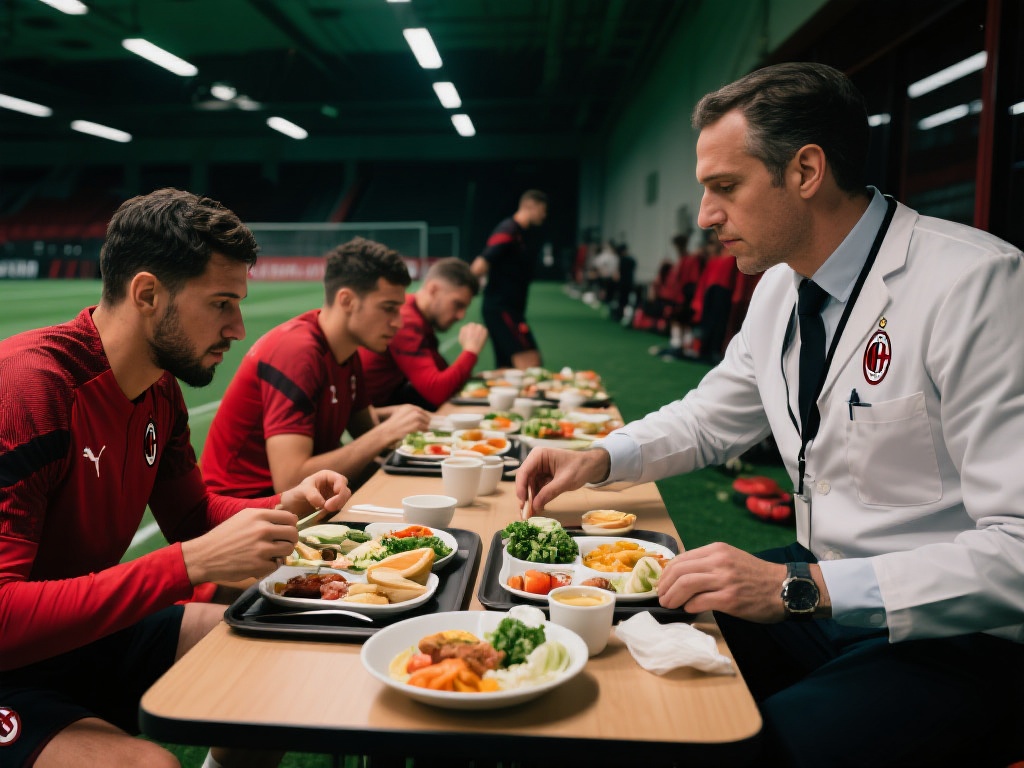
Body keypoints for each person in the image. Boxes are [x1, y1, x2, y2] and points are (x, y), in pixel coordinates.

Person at [516, 62, 1024, 767]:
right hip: (823, 590)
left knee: (752, 750)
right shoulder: (781, 288)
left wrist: (802, 587)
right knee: (616, 634)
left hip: (958, 638)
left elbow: (1019, 553)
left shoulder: (976, 286)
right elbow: (710, 419)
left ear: (807, 170)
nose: (704, 216)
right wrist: (599, 456)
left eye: (725, 187)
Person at [0, 188, 350, 768]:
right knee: (151, 765)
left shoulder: (160, 388)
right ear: (146, 293)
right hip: (9, 661)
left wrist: (285, 503)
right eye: (221, 303)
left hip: (76, 634)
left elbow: (191, 516)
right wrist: (188, 563)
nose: (237, 327)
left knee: (270, 647)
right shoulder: (31, 391)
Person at [202, 237, 432, 497]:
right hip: (241, 511)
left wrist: (410, 419)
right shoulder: (297, 351)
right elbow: (290, 481)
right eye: (388, 309)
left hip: (293, 506)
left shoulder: (347, 350)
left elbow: (365, 428)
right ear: (346, 301)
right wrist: (386, 431)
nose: (397, 323)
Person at [359, 257, 488, 410]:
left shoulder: (419, 318)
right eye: (457, 304)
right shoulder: (405, 320)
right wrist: (470, 352)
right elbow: (437, 392)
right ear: (433, 290)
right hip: (370, 415)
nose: (461, 315)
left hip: (389, 397)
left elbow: (444, 374)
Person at [471, 189, 548, 369]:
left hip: (510, 309)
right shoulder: (508, 230)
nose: (544, 215)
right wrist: (463, 293)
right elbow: (479, 265)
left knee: (507, 367)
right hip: (501, 309)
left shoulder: (521, 233)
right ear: (530, 206)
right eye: (542, 210)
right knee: (531, 363)